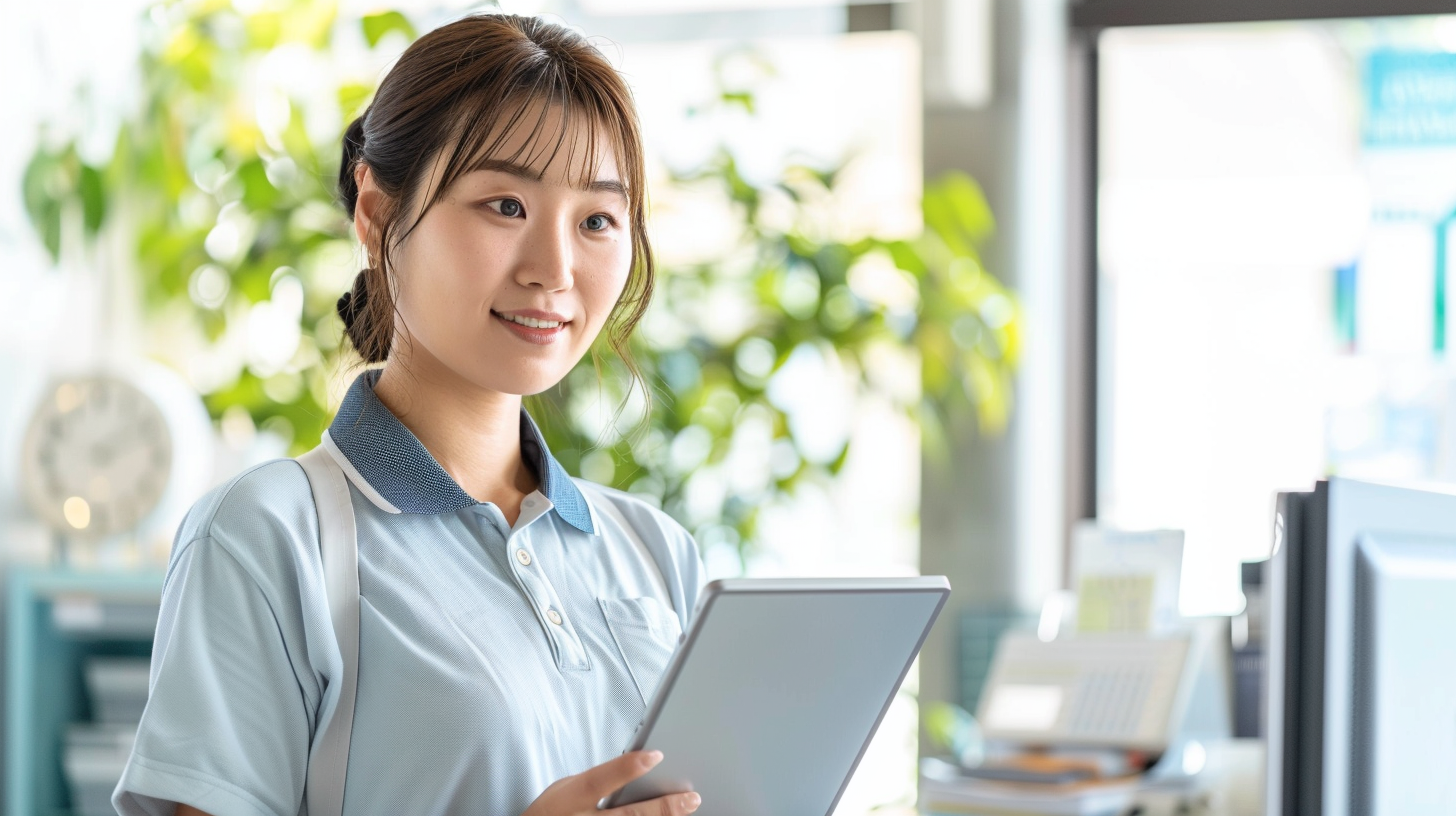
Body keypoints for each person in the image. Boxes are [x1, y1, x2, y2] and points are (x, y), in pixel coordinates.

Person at [112, 13, 706, 816]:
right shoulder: (268, 538)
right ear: (378, 214)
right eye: (504, 205)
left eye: (597, 220)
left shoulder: (657, 554)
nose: (554, 270)